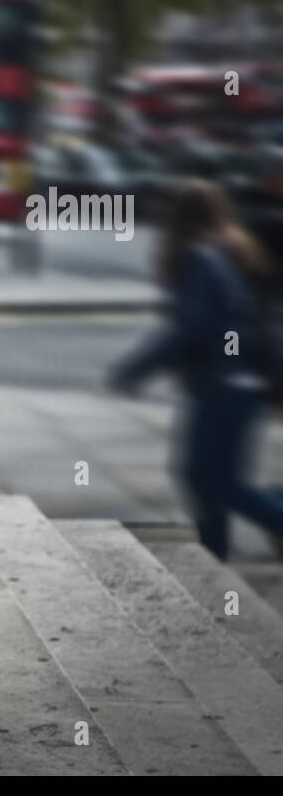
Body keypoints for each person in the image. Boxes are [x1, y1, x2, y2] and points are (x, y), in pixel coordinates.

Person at [109, 178, 283, 561]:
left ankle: (218, 551)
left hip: (225, 387)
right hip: (240, 384)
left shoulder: (201, 259)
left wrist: (135, 370)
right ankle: (214, 555)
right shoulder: (228, 251)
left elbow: (190, 328)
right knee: (212, 481)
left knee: (213, 482)